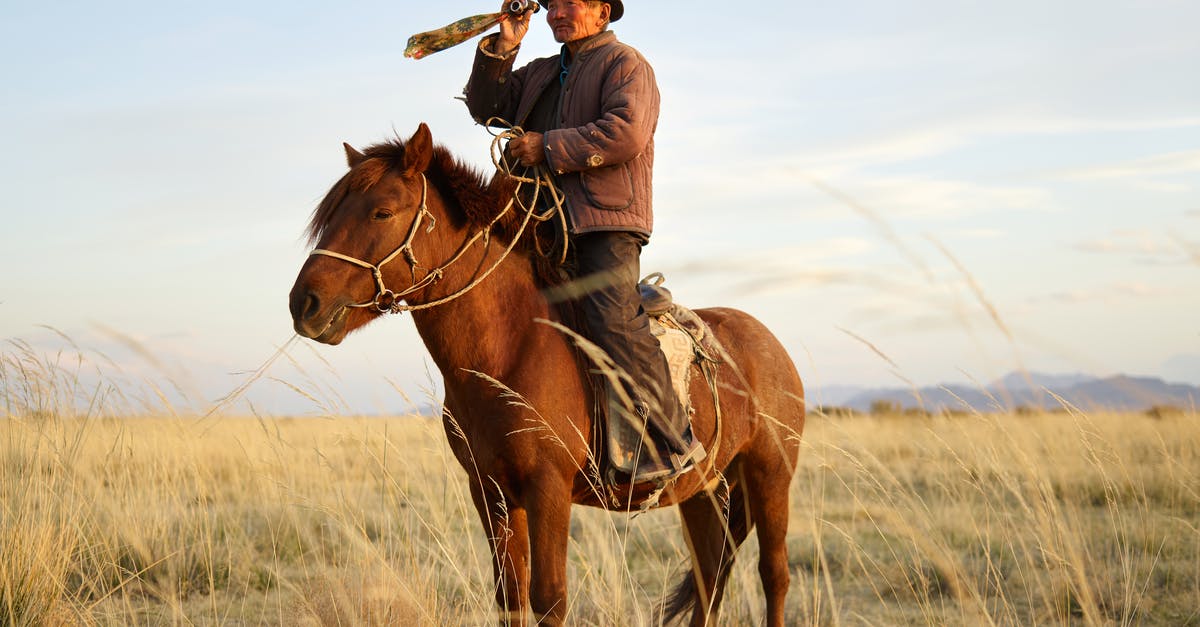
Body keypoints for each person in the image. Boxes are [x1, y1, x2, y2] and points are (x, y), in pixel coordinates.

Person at [462, 0, 704, 482]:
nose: (558, 13)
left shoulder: (626, 64)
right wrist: (504, 45)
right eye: (552, 5)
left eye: (572, 3)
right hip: (541, 221)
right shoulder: (540, 73)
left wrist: (546, 146)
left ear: (601, 12)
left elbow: (627, 133)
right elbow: (485, 107)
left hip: (604, 221)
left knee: (611, 316)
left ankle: (674, 443)